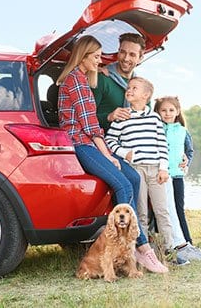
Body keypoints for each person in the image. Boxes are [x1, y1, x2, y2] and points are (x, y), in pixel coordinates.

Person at [56, 35, 168, 274]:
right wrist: (108, 155)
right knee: (123, 185)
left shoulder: (84, 79)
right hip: (82, 144)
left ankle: (135, 244)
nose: (100, 61)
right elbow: (89, 125)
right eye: (96, 57)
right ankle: (138, 246)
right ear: (83, 56)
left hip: (91, 142)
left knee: (134, 179)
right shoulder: (75, 80)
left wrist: (108, 153)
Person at [104, 77, 189, 266]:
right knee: (140, 212)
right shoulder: (123, 117)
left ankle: (169, 251)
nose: (129, 90)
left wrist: (163, 168)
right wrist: (125, 153)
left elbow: (162, 144)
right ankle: (142, 253)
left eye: (135, 88)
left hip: (155, 170)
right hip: (136, 169)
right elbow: (110, 141)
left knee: (162, 211)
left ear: (146, 95)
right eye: (128, 87)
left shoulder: (154, 118)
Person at [154, 96, 201, 261]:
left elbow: (189, 151)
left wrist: (187, 161)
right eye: (163, 110)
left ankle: (186, 242)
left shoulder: (182, 131)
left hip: (177, 176)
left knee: (178, 208)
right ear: (157, 112)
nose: (167, 114)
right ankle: (164, 242)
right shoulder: (156, 128)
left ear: (178, 112)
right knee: (162, 210)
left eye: (171, 110)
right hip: (161, 175)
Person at [92, 33, 146, 133]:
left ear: (140, 59)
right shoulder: (102, 79)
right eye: (122, 52)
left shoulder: (141, 87)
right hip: (103, 141)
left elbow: (147, 119)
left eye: (132, 55)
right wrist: (109, 117)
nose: (126, 58)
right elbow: (85, 119)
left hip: (132, 142)